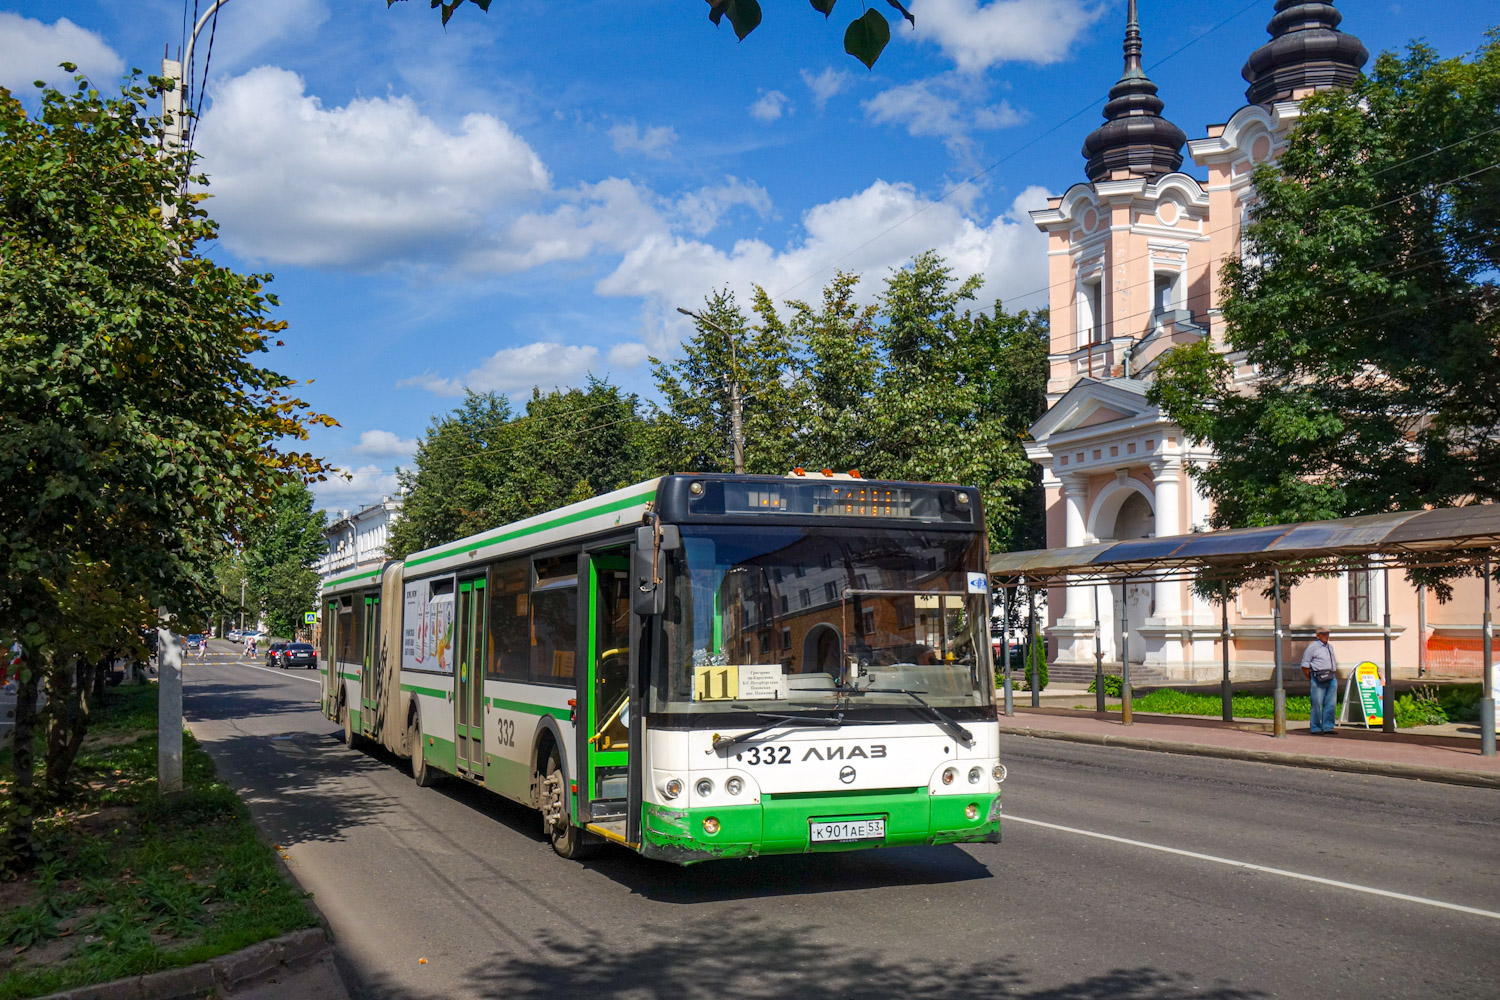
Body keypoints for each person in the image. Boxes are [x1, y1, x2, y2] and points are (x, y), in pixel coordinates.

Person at [1301, 627, 1338, 735]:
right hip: (1318, 677)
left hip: (1331, 676)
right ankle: (1316, 727)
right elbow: (1305, 665)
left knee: (1331, 703)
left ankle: (1328, 727)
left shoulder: (1330, 647)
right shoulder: (1312, 647)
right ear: (1318, 635)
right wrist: (1311, 678)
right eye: (1324, 634)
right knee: (1317, 703)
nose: (1327, 636)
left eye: (1328, 634)